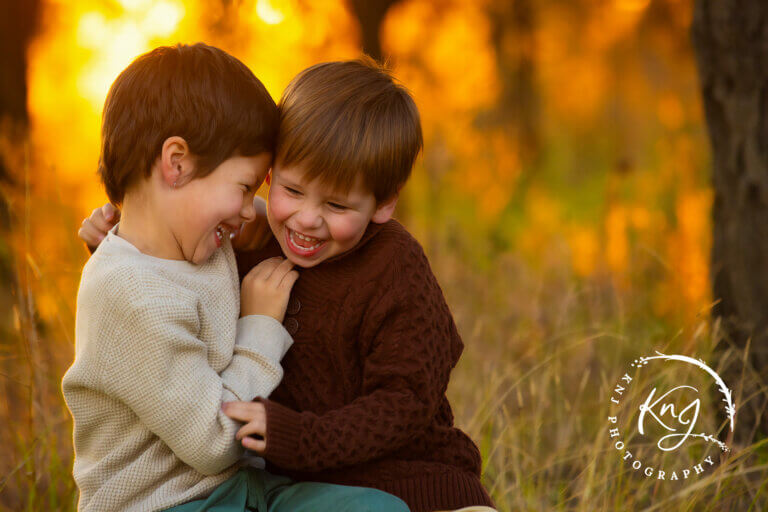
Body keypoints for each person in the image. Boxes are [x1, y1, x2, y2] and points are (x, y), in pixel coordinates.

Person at [81, 57, 496, 512]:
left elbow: (405, 404)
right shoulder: (243, 237)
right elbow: (152, 299)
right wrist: (123, 232)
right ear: (272, 175)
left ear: (383, 203)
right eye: (290, 191)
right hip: (272, 484)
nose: (306, 219)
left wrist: (300, 439)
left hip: (406, 475)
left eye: (337, 205)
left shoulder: (394, 266)